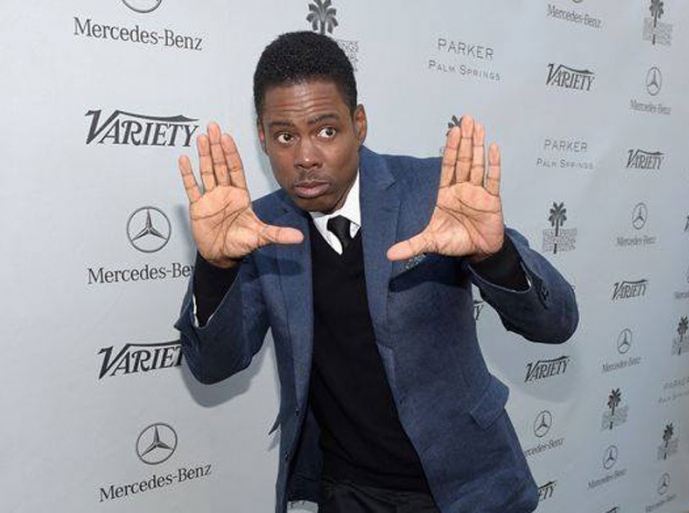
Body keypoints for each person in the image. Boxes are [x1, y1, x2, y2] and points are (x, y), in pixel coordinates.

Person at [175, 31, 578, 513]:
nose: (306, 157)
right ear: (262, 137)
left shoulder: (435, 192)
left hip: (466, 485)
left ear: (359, 124)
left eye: (326, 131)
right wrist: (217, 268)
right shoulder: (257, 228)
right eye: (285, 136)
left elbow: (557, 322)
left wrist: (494, 256)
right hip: (346, 490)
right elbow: (212, 366)